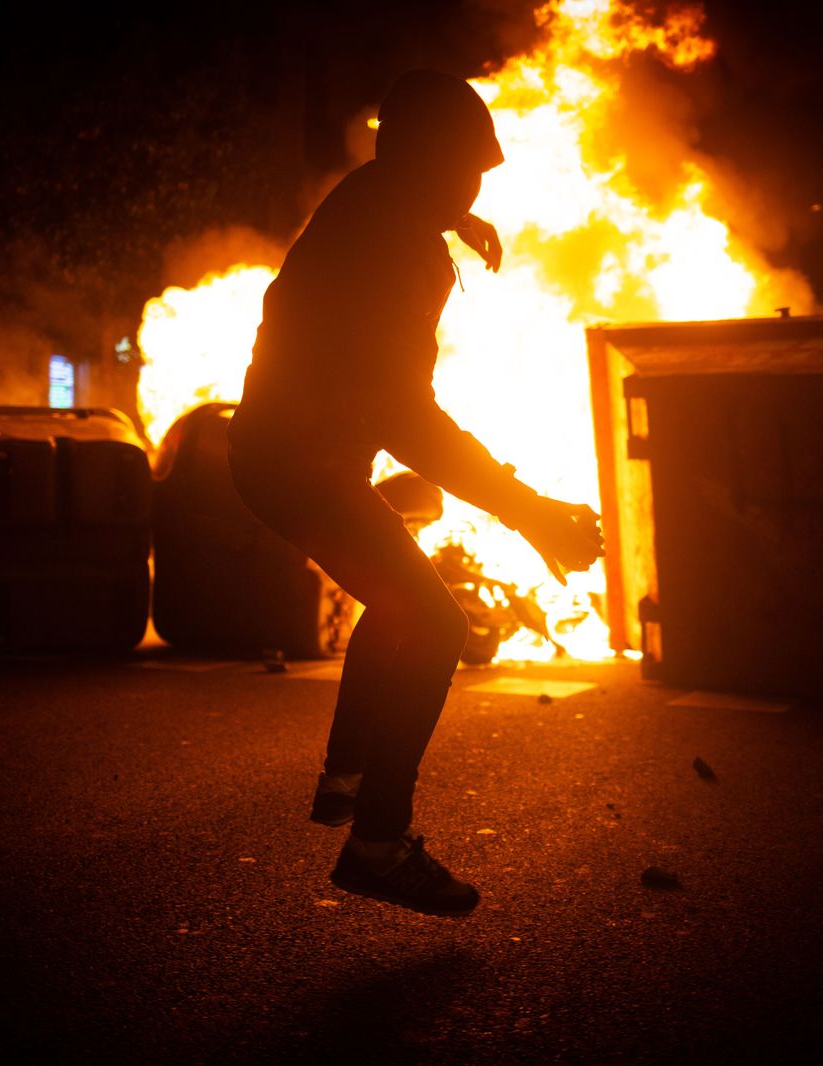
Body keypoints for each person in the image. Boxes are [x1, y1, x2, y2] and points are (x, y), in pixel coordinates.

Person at [227, 69, 604, 916]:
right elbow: (406, 417)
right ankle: (378, 843)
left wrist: (453, 220)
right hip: (299, 465)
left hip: (285, 453)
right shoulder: (396, 251)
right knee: (435, 623)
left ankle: (348, 776)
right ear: (427, 163)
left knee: (400, 600)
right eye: (464, 172)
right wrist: (530, 512)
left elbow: (392, 213)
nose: (474, 188)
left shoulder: (375, 205)